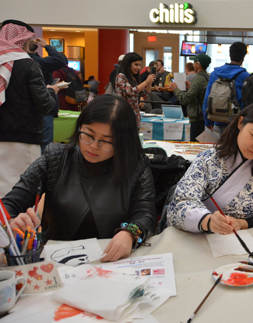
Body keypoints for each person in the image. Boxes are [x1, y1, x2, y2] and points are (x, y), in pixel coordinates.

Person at [2, 95, 157, 262]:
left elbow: (146, 215)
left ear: (123, 143)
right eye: (88, 135)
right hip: (54, 262)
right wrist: (9, 225)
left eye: (106, 141)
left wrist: (130, 233)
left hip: (111, 261)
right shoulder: (55, 158)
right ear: (79, 127)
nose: (93, 146)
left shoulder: (136, 167)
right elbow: (11, 202)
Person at [166, 100, 253, 234]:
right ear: (240, 123)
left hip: (242, 243)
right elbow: (180, 204)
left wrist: (241, 223)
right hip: (197, 238)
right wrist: (208, 221)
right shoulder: (208, 160)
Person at [0, 19, 57, 197]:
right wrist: (52, 92)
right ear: (22, 41)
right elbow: (45, 105)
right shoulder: (29, 65)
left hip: (2, 135)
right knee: (23, 191)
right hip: (26, 136)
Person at [27, 37, 67, 152]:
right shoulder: (33, 61)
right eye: (29, 39)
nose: (32, 40)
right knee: (44, 147)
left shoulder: (34, 60)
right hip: (43, 108)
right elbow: (60, 60)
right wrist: (46, 46)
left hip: (41, 108)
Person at [202, 41, 250, 135]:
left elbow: (207, 98)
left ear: (230, 54)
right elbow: (245, 101)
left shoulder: (214, 74)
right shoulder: (245, 76)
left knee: (221, 147)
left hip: (216, 118)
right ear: (243, 57)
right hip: (236, 121)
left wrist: (208, 122)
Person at [169, 54, 211, 141]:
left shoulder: (198, 78)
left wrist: (175, 89)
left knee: (195, 147)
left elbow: (186, 99)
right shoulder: (208, 77)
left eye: (194, 63)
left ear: (198, 65)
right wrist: (191, 87)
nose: (193, 65)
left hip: (197, 120)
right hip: (205, 117)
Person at [115, 52, 155, 128]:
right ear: (128, 64)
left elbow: (145, 94)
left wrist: (149, 82)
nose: (138, 67)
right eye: (136, 65)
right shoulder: (121, 76)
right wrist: (146, 81)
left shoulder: (133, 77)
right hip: (124, 113)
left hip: (135, 114)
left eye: (139, 65)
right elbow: (130, 91)